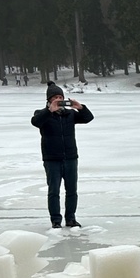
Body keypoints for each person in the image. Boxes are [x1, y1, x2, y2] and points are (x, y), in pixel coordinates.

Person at [32, 82, 93, 228]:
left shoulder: (70, 114)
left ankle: (71, 218)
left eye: (60, 97)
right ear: (49, 100)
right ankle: (56, 220)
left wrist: (80, 107)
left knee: (72, 190)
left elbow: (88, 118)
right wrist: (49, 111)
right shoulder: (41, 114)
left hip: (70, 157)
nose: (58, 100)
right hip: (52, 159)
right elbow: (35, 122)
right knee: (54, 191)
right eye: (55, 98)